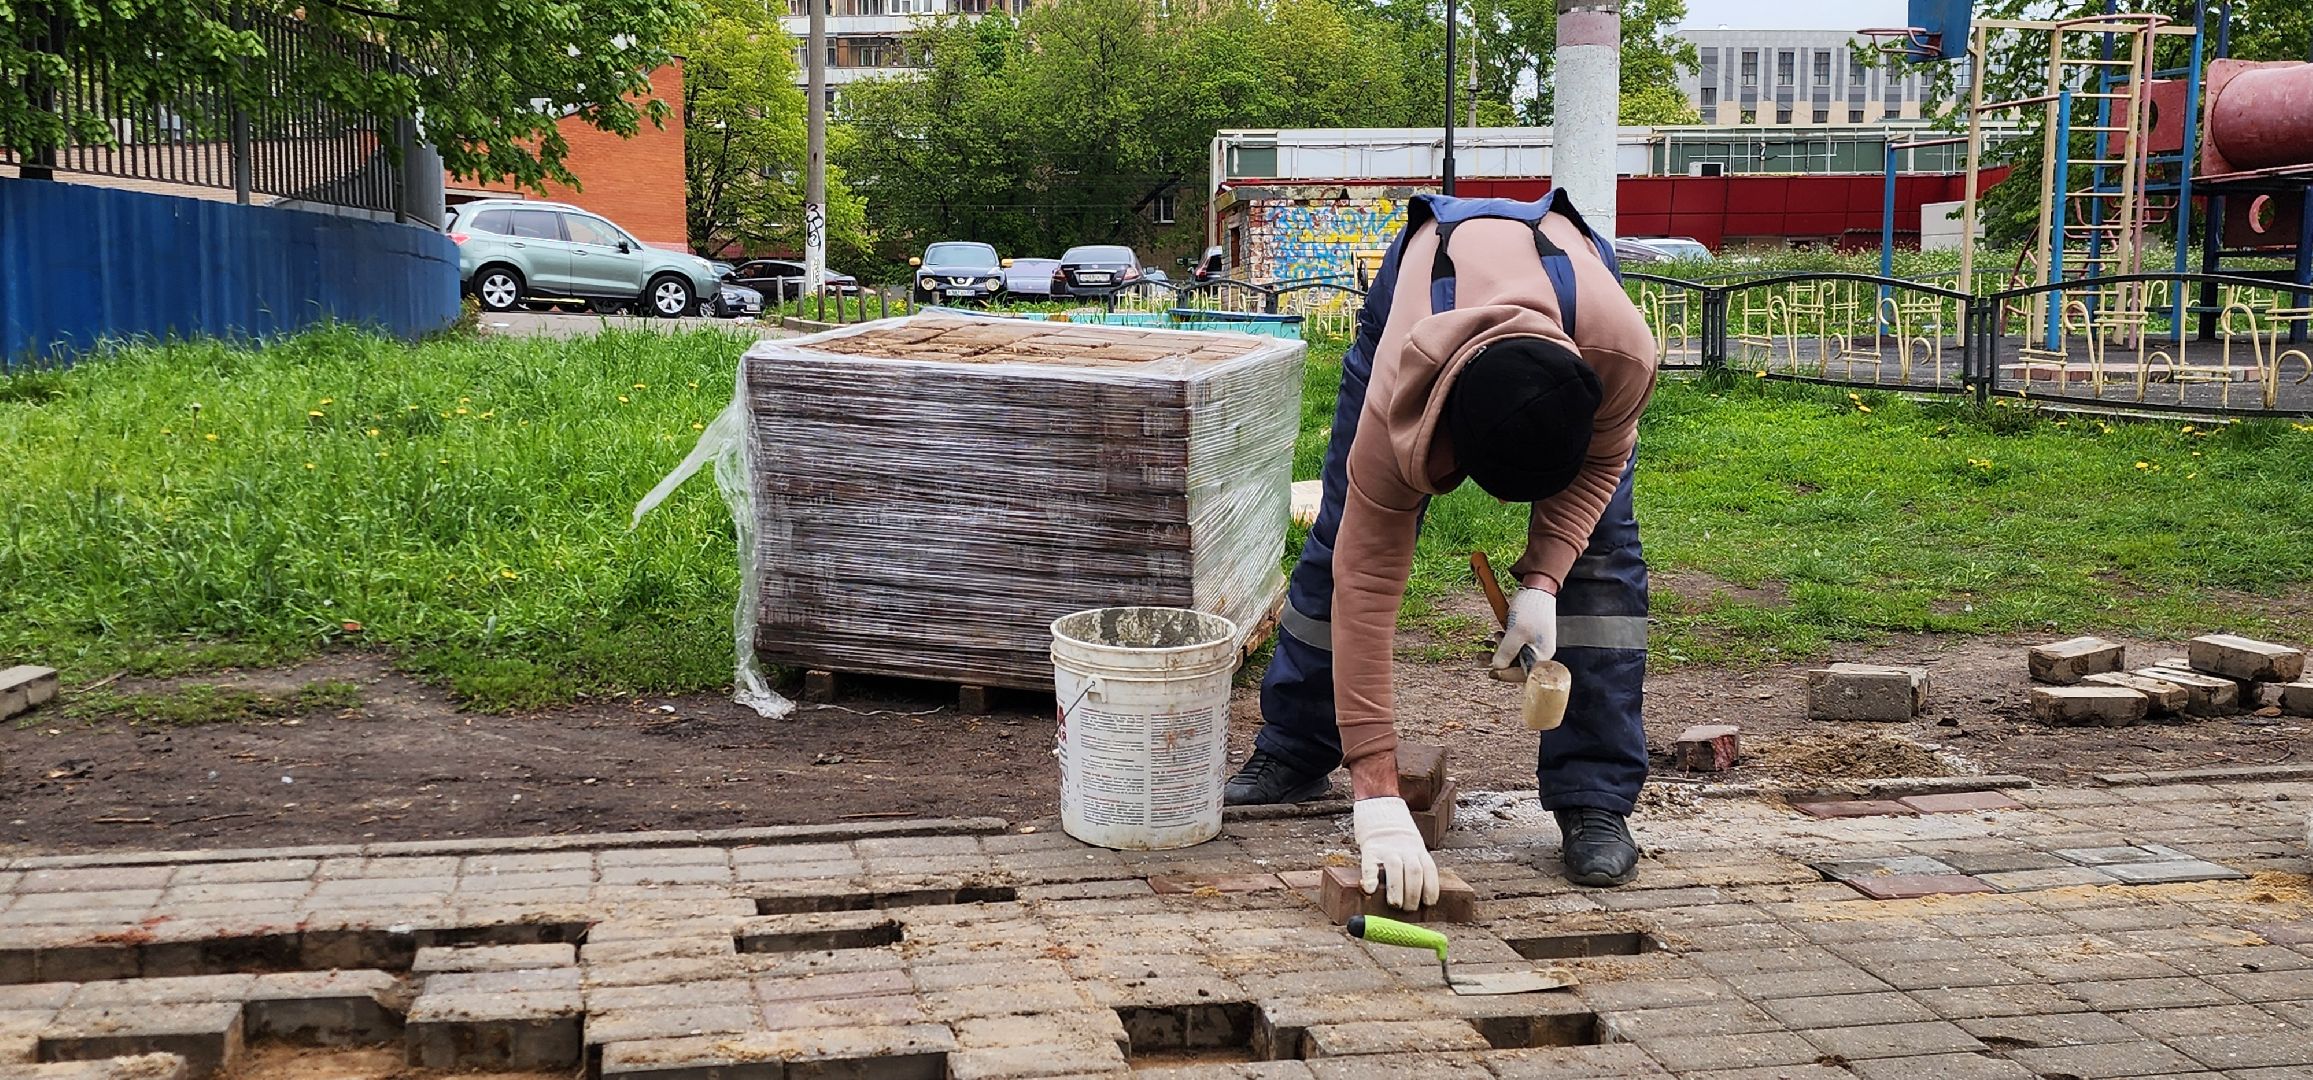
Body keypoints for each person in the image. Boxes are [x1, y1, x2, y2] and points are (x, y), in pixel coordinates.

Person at [1223, 191, 1658, 905]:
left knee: (1601, 561)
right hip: (1418, 289)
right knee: (1340, 542)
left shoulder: (1620, 354)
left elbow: (1601, 467)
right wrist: (1377, 794)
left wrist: (1545, 581)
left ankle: (1594, 796)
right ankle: (1296, 748)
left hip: (1571, 300)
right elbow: (1365, 580)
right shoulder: (1402, 381)